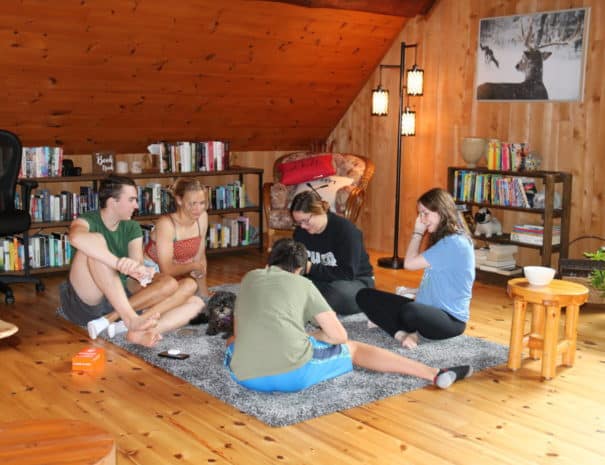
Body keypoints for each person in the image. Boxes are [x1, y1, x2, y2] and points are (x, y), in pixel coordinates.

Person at [224, 238, 472, 393]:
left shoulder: (250, 277)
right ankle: (433, 374)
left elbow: (236, 335)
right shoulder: (304, 285)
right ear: (300, 270)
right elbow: (339, 336)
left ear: (269, 264)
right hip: (290, 376)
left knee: (236, 343)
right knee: (352, 348)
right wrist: (314, 335)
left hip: (242, 375)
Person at [60, 175, 203, 347]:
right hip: (86, 303)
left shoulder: (132, 227)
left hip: (120, 300)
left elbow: (133, 278)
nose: (136, 205)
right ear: (113, 201)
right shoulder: (87, 220)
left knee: (194, 300)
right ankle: (130, 320)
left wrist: (144, 275)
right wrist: (117, 263)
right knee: (95, 246)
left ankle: (130, 327)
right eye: (132, 200)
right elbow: (75, 237)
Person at [356, 188, 475, 349]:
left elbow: (409, 264)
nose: (422, 219)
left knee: (409, 311)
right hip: (428, 308)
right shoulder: (448, 240)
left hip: (450, 321)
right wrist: (414, 291)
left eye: (425, 213)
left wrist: (418, 232)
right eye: (420, 214)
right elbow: (442, 282)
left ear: (441, 211)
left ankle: (397, 325)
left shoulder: (453, 243)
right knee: (364, 295)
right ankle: (401, 334)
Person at [290, 190, 373, 315]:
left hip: (355, 281)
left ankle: (312, 302)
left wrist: (310, 268)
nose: (302, 226)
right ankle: (314, 303)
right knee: (284, 284)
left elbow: (347, 273)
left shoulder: (346, 231)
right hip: (321, 282)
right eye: (298, 222)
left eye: (305, 220)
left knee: (337, 294)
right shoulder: (300, 233)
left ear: (319, 211)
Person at [144, 177, 209, 298]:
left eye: (202, 203)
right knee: (184, 294)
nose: (198, 209)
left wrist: (205, 296)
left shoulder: (202, 217)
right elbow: (167, 270)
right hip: (152, 272)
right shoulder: (166, 224)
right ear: (179, 200)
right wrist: (193, 266)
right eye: (192, 203)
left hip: (178, 272)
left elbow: (199, 258)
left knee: (193, 294)